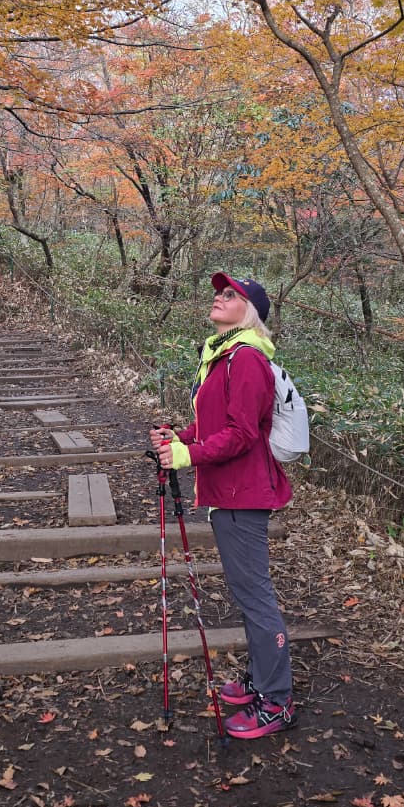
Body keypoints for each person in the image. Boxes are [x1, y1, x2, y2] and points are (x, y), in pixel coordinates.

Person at [149, 271, 296, 740]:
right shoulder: (221, 357)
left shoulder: (247, 358)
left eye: (230, 294)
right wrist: (180, 437)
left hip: (244, 492)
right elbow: (216, 424)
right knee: (245, 590)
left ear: (249, 311)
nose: (219, 297)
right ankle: (260, 679)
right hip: (226, 491)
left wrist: (187, 455)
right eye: (219, 291)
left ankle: (277, 700)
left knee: (255, 596)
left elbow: (243, 435)